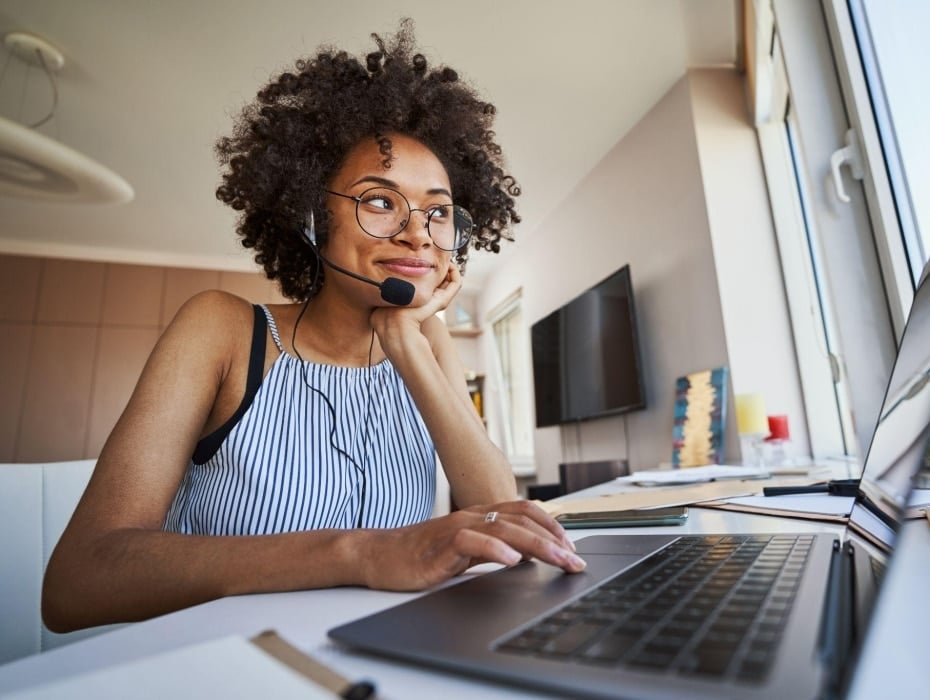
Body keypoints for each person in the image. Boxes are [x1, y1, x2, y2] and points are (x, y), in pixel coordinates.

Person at [42, 20, 585, 633]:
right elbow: (77, 581)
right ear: (312, 217)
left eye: (437, 212)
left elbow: (494, 510)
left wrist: (408, 340)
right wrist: (359, 553)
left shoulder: (427, 342)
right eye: (380, 200)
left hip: (380, 655)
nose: (416, 232)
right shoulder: (221, 329)